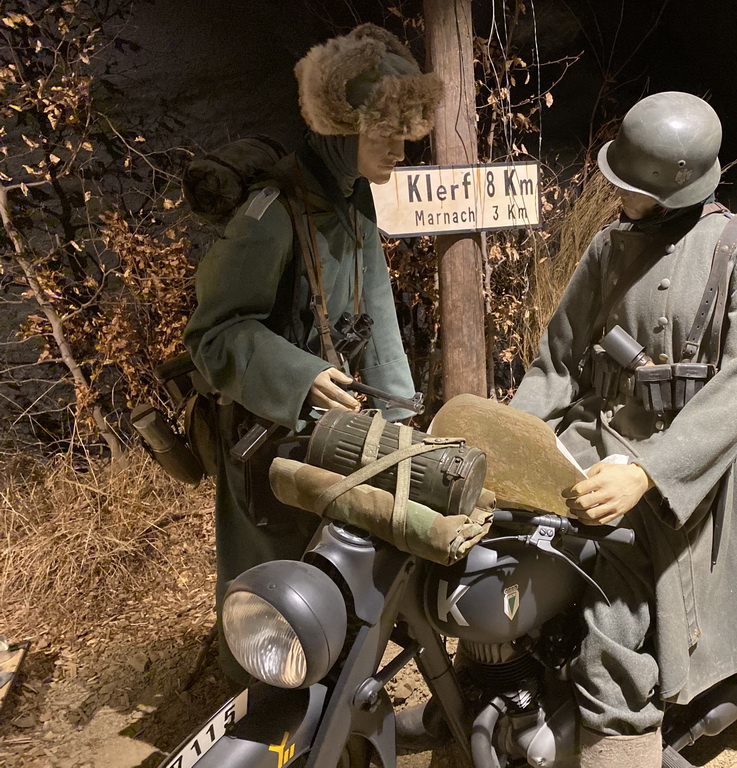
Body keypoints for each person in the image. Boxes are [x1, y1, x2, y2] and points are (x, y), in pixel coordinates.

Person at [509, 91, 737, 766]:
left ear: (668, 191)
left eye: (628, 186)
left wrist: (646, 472)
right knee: (505, 551)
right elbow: (557, 359)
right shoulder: (608, 247)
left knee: (614, 615)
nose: (614, 194)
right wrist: (508, 440)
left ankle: (619, 736)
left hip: (685, 473)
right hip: (590, 440)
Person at [184, 24, 442, 683]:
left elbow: (378, 320)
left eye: (404, 131)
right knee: (273, 598)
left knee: (342, 583)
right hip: (269, 444)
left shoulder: (354, 205)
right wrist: (300, 377)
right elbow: (212, 336)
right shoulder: (270, 215)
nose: (399, 150)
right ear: (341, 127)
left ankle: (336, 716)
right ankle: (264, 713)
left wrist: (401, 422)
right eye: (385, 133)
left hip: (335, 438)